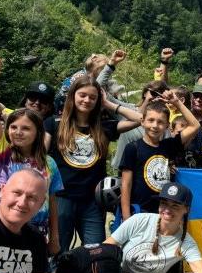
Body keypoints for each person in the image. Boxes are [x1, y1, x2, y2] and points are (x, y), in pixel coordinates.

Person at [44, 76, 142, 251]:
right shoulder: (53, 123)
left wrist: (109, 104)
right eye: (82, 95)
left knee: (95, 253)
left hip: (93, 202)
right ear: (73, 95)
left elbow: (140, 119)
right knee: (58, 251)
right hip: (60, 198)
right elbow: (40, 156)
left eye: (92, 97)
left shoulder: (104, 126)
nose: (87, 100)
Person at [0, 57, 63, 257]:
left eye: (26, 128)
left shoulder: (48, 163)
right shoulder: (3, 154)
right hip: (4, 228)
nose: (18, 132)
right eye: (14, 127)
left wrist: (55, 239)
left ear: (38, 132)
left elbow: (52, 203)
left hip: (38, 233)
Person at [119, 98, 200, 220]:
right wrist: (126, 216)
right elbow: (126, 184)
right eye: (151, 120)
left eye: (160, 122)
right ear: (142, 121)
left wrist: (176, 102)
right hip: (139, 212)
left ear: (167, 125)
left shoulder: (169, 146)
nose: (155, 126)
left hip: (164, 214)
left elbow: (195, 125)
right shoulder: (133, 148)